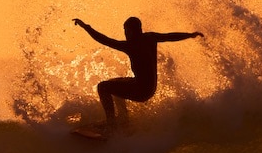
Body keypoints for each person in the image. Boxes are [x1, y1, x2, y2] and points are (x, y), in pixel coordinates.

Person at [73, 16, 204, 131]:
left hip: (141, 91)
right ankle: (123, 119)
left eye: (126, 30)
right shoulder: (151, 37)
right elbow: (170, 36)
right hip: (150, 88)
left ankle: (111, 124)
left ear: (131, 31)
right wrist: (190, 35)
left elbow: (104, 40)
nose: (125, 33)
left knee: (103, 86)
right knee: (115, 83)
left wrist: (86, 27)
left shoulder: (130, 45)